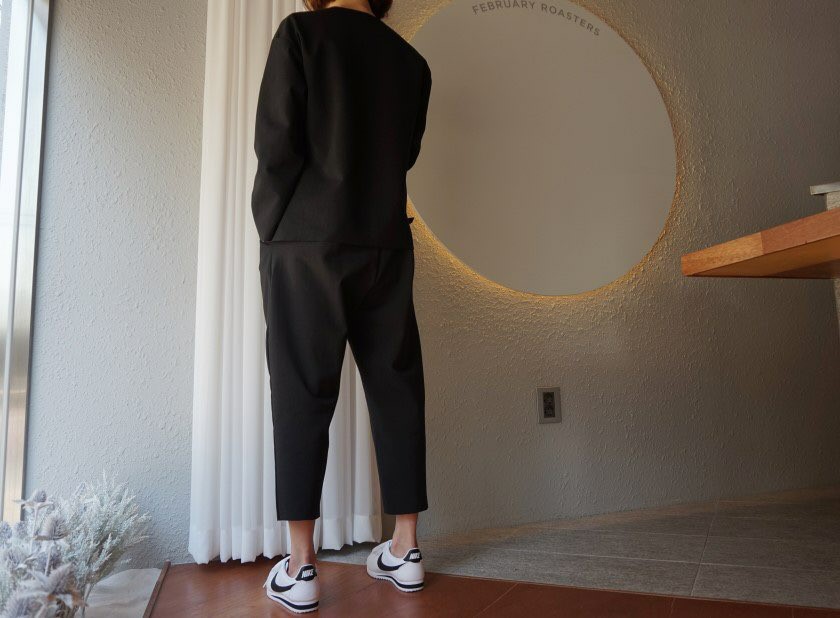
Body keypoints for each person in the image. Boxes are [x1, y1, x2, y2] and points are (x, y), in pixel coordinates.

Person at [250, 0, 432, 612]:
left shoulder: (301, 34)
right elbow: (403, 154)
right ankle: (406, 548)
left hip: (306, 242)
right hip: (385, 240)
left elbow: (277, 144)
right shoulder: (411, 62)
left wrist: (273, 226)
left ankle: (301, 566)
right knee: (397, 385)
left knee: (302, 390)